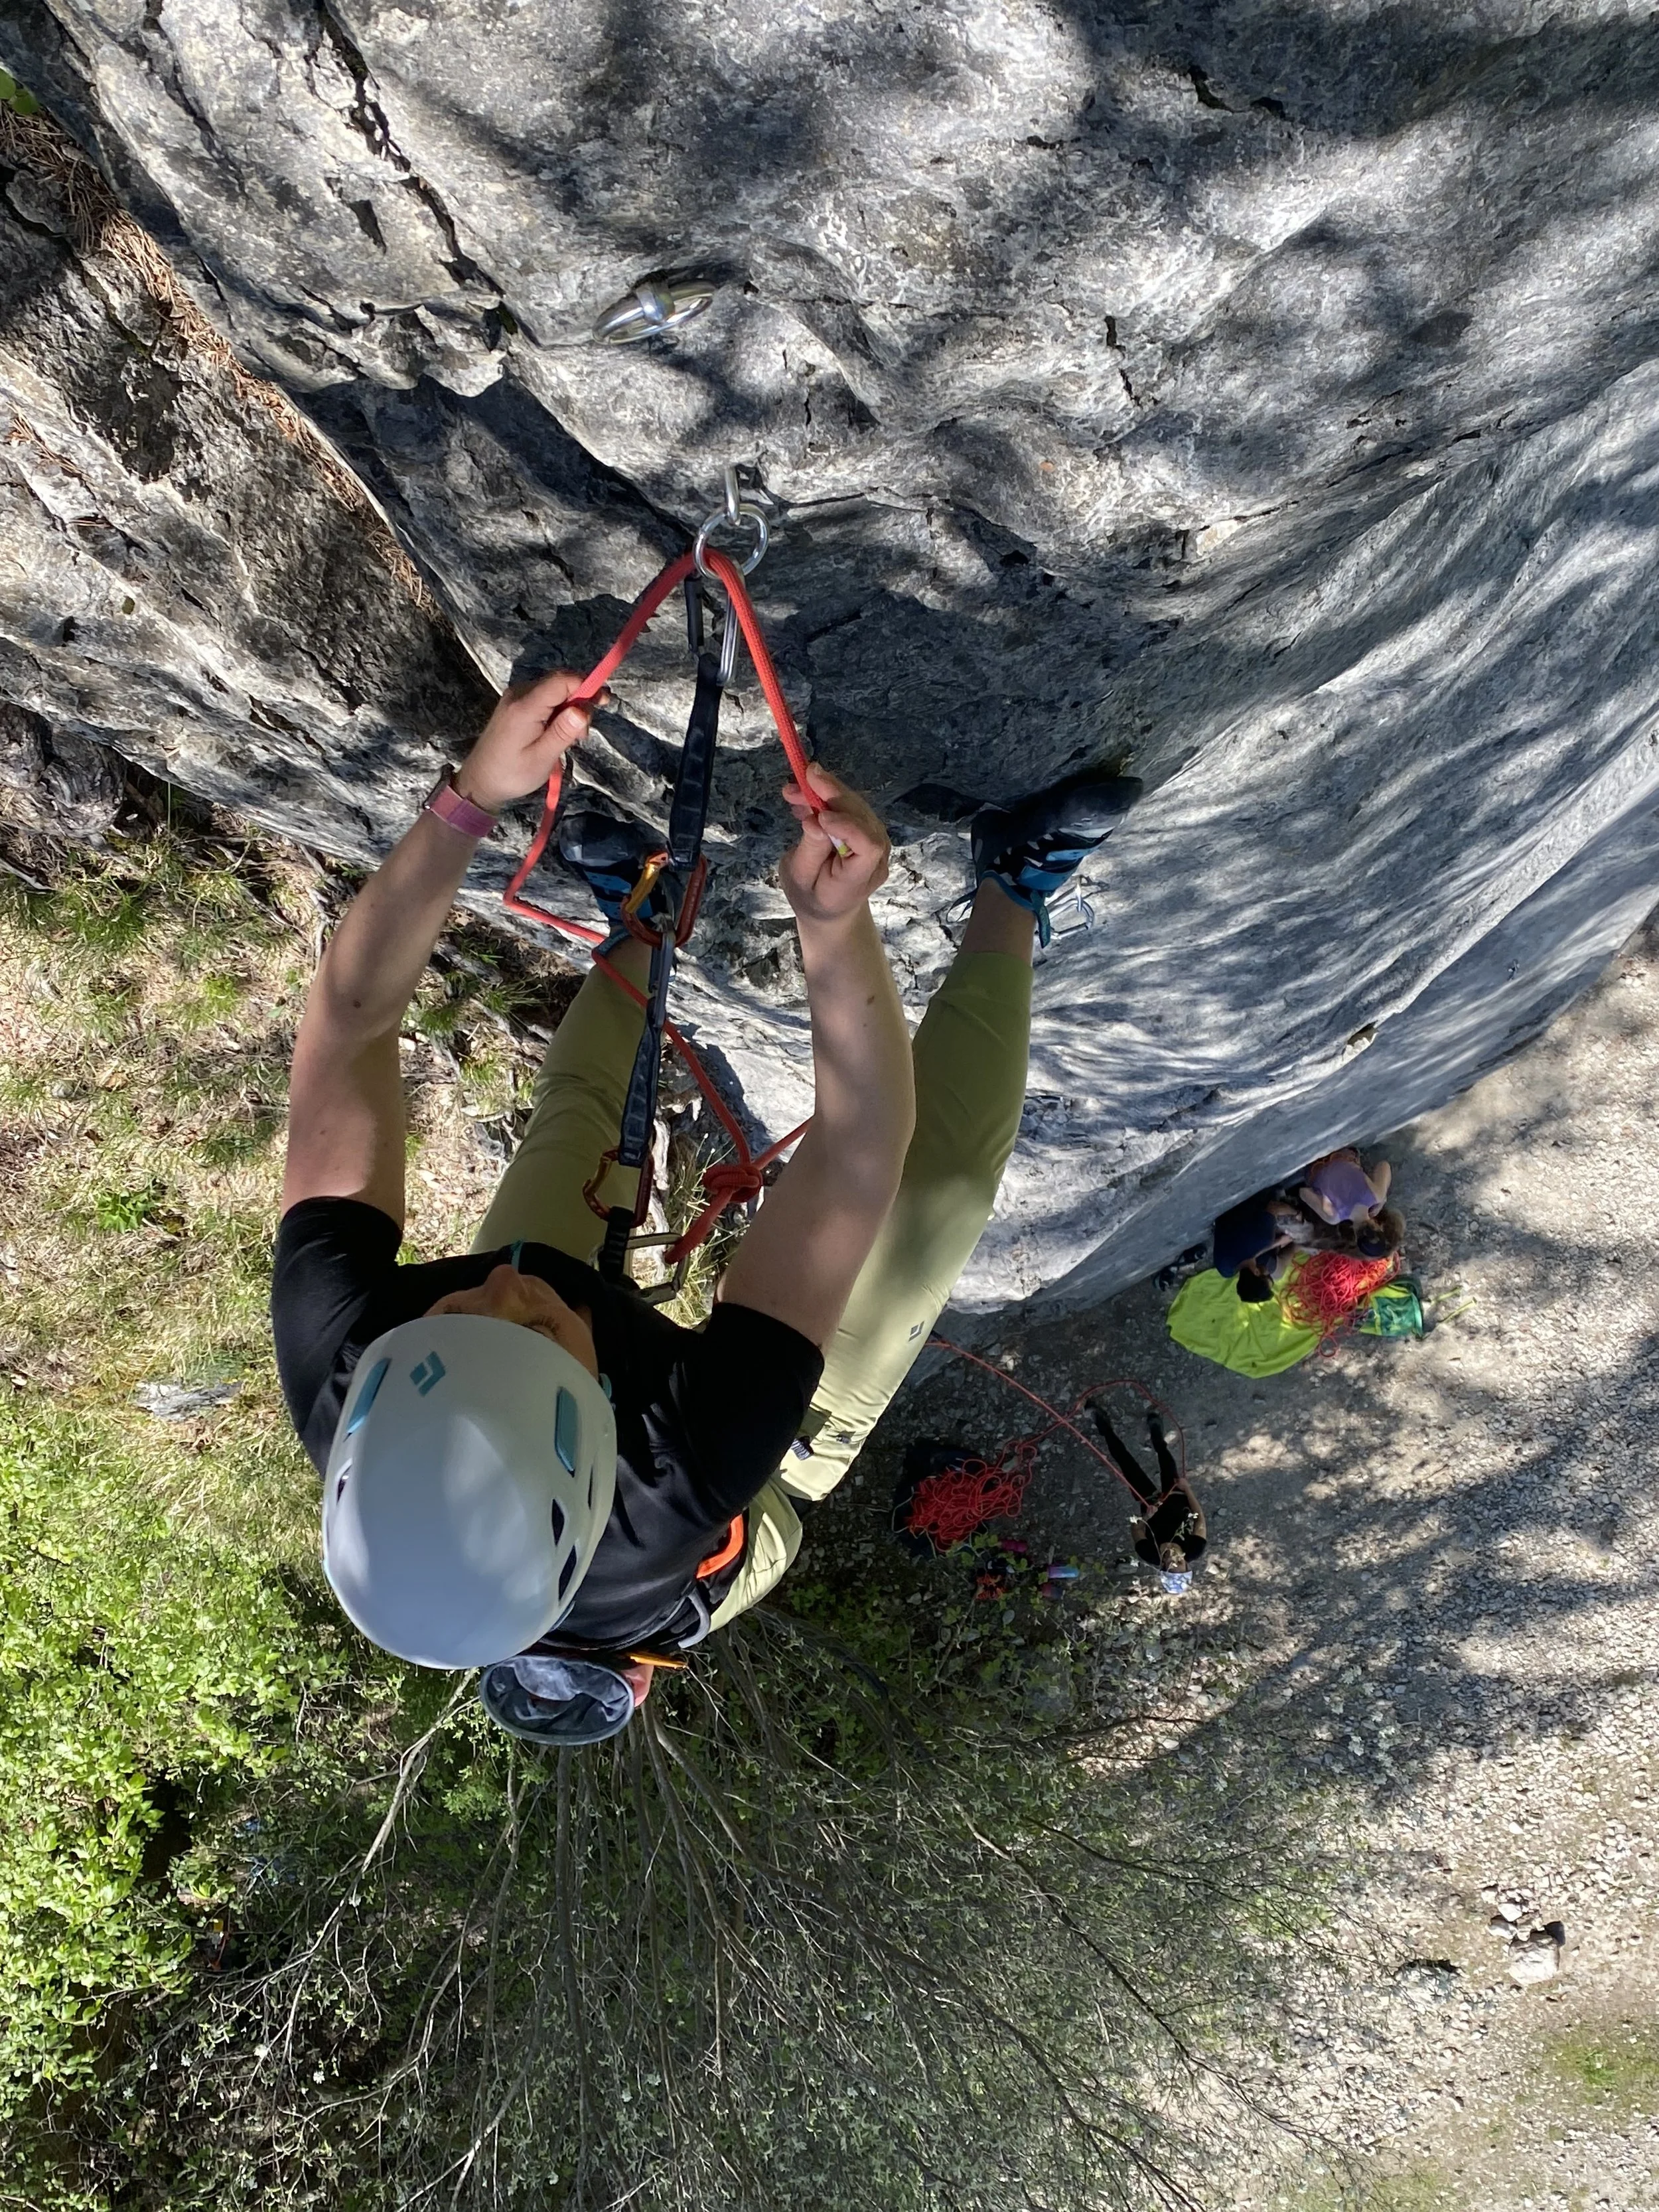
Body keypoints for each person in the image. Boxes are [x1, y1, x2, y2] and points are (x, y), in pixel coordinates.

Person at [271, 664, 1140, 1746]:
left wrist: (472, 797)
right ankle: (1012, 893)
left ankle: (643, 917)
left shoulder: (350, 1358)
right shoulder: (688, 1475)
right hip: (750, 1497)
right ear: (594, 1426)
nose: (503, 1281)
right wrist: (830, 925)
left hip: (526, 1415)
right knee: (936, 1198)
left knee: (580, 1122)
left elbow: (350, 1022)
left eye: (456, 1316)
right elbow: (859, 1153)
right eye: (534, 1326)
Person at [1088, 1404, 1207, 1595]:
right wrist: (1187, 1489)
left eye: (1169, 1567)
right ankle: (1156, 1432)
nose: (1173, 1561)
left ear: (1163, 1568)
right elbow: (1199, 1519)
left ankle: (1104, 1426)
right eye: (1179, 1565)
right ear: (1186, 1563)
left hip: (1150, 1503)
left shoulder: (1150, 1554)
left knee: (1126, 1463)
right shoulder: (1195, 1549)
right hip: (1177, 1497)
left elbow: (1135, 1528)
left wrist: (1147, 1518)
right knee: (1167, 1461)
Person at [1299, 1147, 1404, 1258]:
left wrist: (1383, 1197)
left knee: (1355, 1163)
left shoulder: (1376, 1196)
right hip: (1314, 1168)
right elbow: (1303, 1192)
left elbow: (1384, 1165)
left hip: (1341, 1154)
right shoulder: (1334, 1217)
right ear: (1355, 1236)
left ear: (1379, 1226)